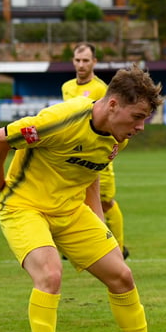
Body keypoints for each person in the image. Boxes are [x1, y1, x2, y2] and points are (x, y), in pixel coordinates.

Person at [0, 65, 166, 332]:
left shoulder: (117, 137)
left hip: (69, 210)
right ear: (112, 105)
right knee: (50, 276)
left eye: (145, 120)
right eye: (137, 117)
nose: (140, 127)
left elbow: (90, 172)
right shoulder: (61, 119)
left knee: (121, 276)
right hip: (24, 206)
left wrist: (96, 221)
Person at [62, 42, 129, 259]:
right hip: (74, 156)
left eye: (86, 60)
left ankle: (119, 249)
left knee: (106, 203)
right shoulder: (67, 87)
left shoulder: (102, 89)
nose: (81, 65)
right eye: (78, 60)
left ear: (94, 62)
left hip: (98, 157)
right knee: (75, 202)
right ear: (73, 61)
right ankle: (75, 247)